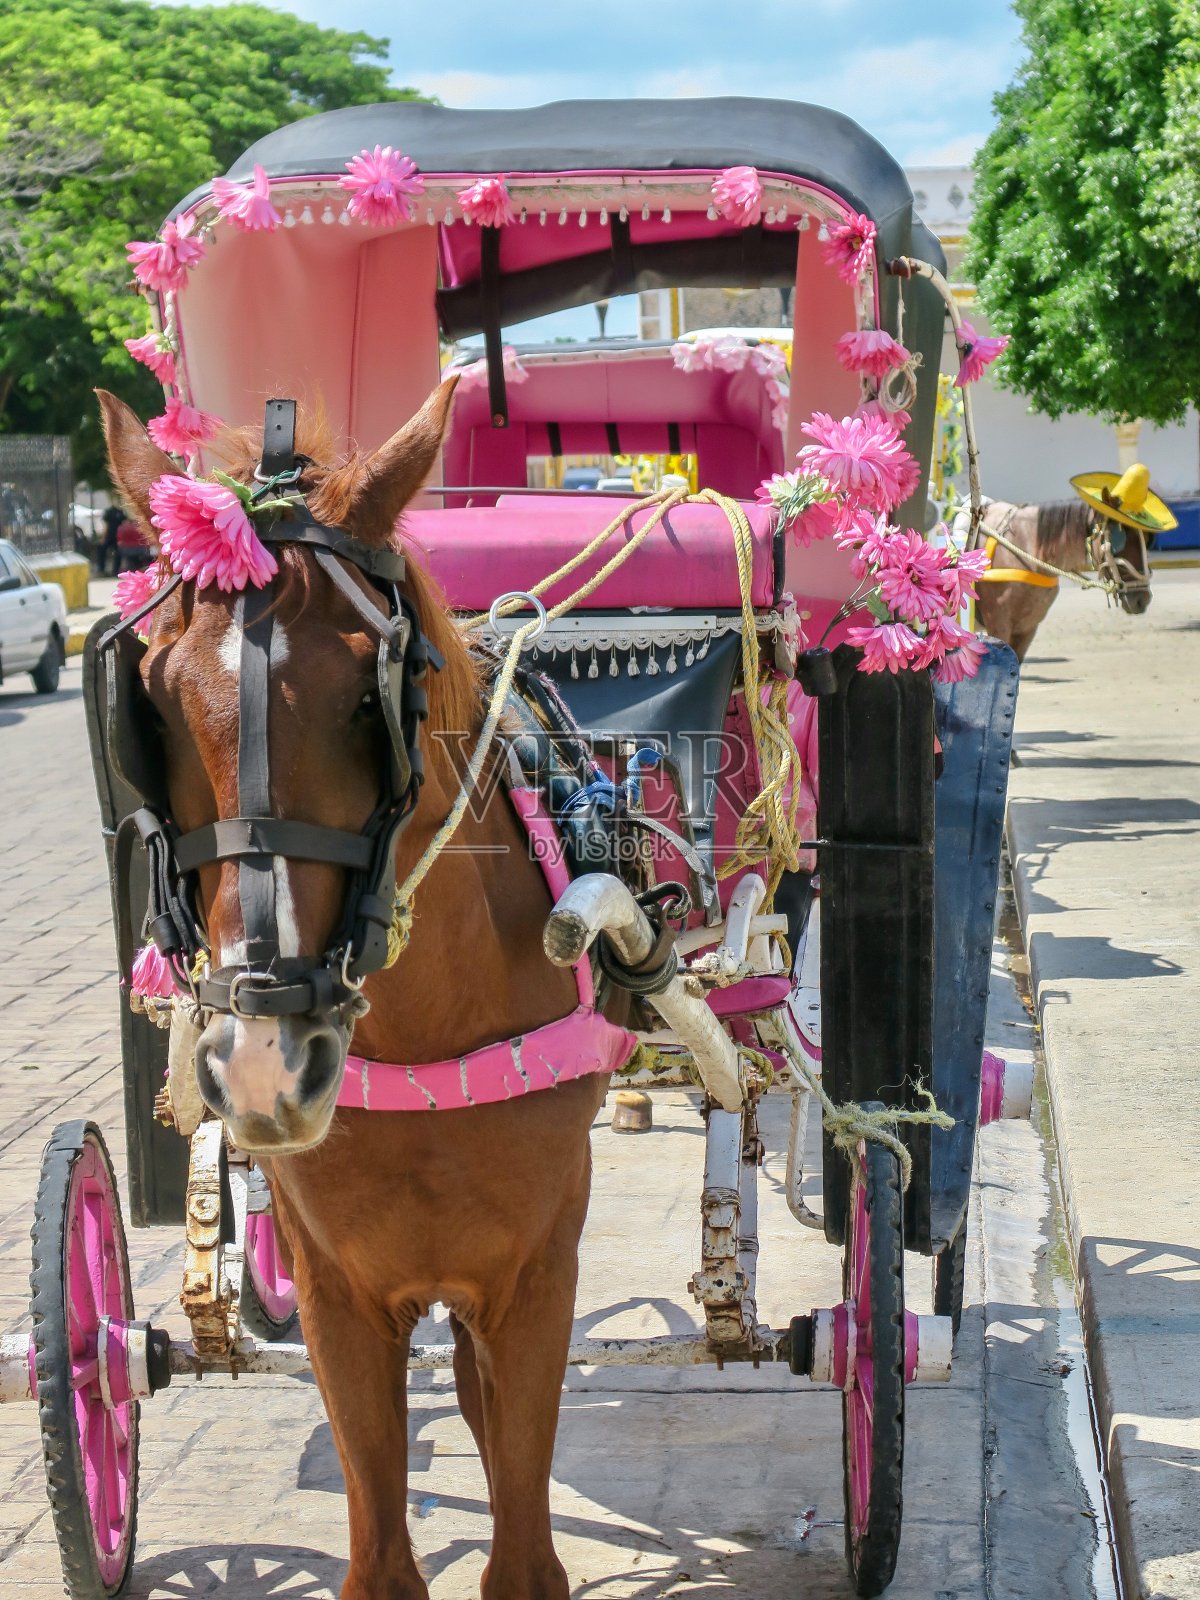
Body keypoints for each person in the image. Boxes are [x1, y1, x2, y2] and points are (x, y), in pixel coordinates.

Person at [99, 503, 125, 576]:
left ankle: (102, 569)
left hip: (109, 535)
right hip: (118, 535)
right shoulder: (120, 512)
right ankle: (115, 570)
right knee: (118, 553)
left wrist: (103, 537)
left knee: (102, 551)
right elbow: (123, 523)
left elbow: (106, 526)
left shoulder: (109, 512)